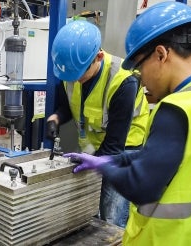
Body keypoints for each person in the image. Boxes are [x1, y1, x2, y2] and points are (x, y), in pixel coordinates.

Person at [64, 2, 191, 245]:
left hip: (165, 238)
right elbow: (166, 162)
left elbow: (141, 185)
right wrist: (110, 160)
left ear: (161, 54)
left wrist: (103, 168)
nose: (140, 79)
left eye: (138, 66)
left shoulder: (177, 108)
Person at [47, 20, 149, 228]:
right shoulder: (73, 71)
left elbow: (114, 145)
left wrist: (93, 165)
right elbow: (69, 105)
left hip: (125, 150)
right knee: (90, 208)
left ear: (99, 57)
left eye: (79, 76)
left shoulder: (123, 81)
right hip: (95, 146)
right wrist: (56, 117)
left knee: (111, 213)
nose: (75, 82)